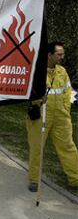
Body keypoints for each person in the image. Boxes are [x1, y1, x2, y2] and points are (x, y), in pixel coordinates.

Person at [26, 42, 78, 192]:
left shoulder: (62, 71)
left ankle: (75, 178)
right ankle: (34, 180)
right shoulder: (37, 72)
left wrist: (65, 110)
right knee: (37, 148)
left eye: (62, 54)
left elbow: (68, 92)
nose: (62, 57)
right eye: (59, 54)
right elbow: (28, 91)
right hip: (41, 116)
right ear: (49, 55)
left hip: (61, 117)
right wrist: (36, 99)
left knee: (68, 146)